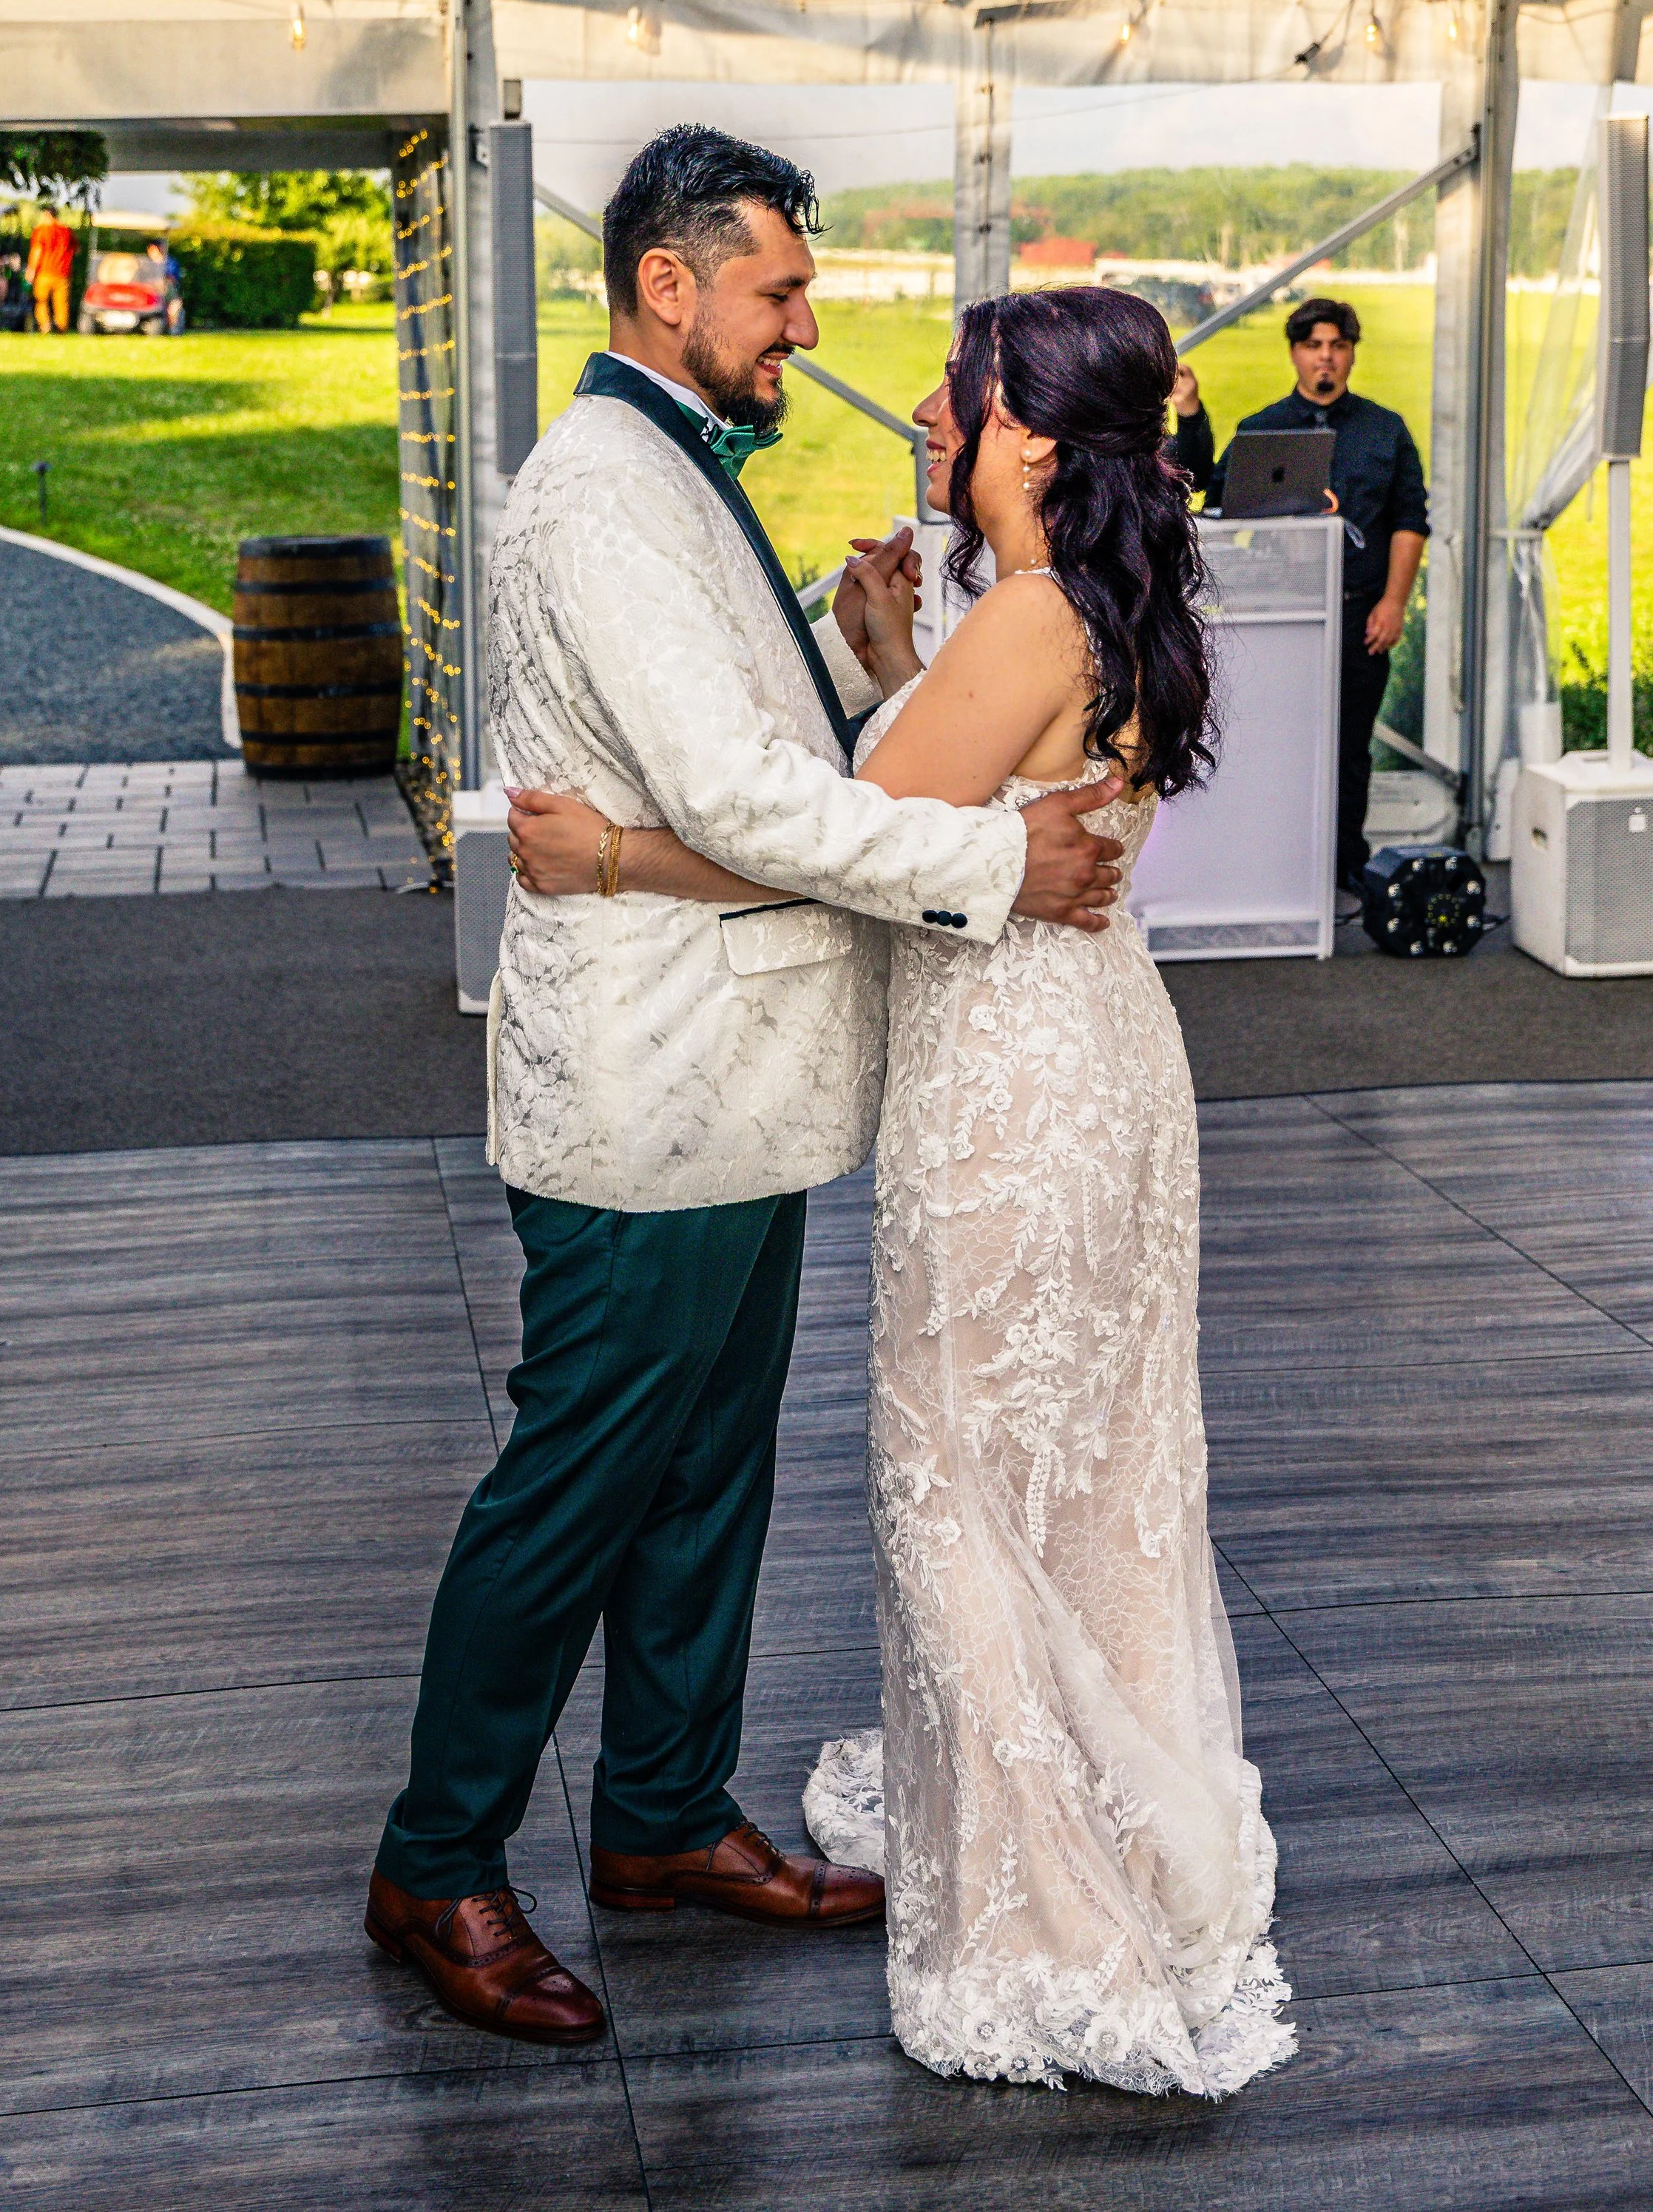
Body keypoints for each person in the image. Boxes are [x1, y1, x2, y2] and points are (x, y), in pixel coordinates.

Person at [365, 126, 1128, 2050]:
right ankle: (435, 1854)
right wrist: (992, 868)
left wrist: (859, 660)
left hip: (745, 1083)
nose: (808, 323)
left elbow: (730, 761)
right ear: (665, 284)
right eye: (781, 289)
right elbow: (735, 797)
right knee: (573, 1489)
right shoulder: (603, 496)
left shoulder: (669, 471)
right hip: (650, 1091)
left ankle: (659, 1818)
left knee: (707, 1478)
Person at [512, 285, 1293, 2099]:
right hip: (1104, 1059)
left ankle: (1053, 1918)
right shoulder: (1111, 600)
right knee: (1087, 1474)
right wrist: (887, 673)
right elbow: (959, 809)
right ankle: (1126, 1810)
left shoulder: (1021, 617)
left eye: (963, 395)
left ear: (1029, 433)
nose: (935, 417)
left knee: (959, 1482)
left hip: (1011, 1086)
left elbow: (849, 850)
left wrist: (614, 853)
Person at [1173, 297, 1427, 891]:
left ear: (1351, 354)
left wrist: (1393, 603)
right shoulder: (1264, 429)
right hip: (1284, 615)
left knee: (1351, 746)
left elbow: (1411, 520)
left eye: (1337, 347)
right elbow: (1208, 500)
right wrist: (1190, 411)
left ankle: (1343, 867)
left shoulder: (1385, 431)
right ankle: (1277, 866)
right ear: (1293, 352)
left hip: (1361, 612)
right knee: (1277, 742)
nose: (1326, 359)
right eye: (1314, 346)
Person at [27, 208, 75, 335]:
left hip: (44, 273)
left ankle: (45, 325)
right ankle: (61, 328)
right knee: (61, 304)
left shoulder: (41, 231)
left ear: (47, 215)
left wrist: (31, 269)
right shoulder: (67, 231)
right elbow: (76, 250)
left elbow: (37, 250)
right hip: (63, 273)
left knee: (41, 301)